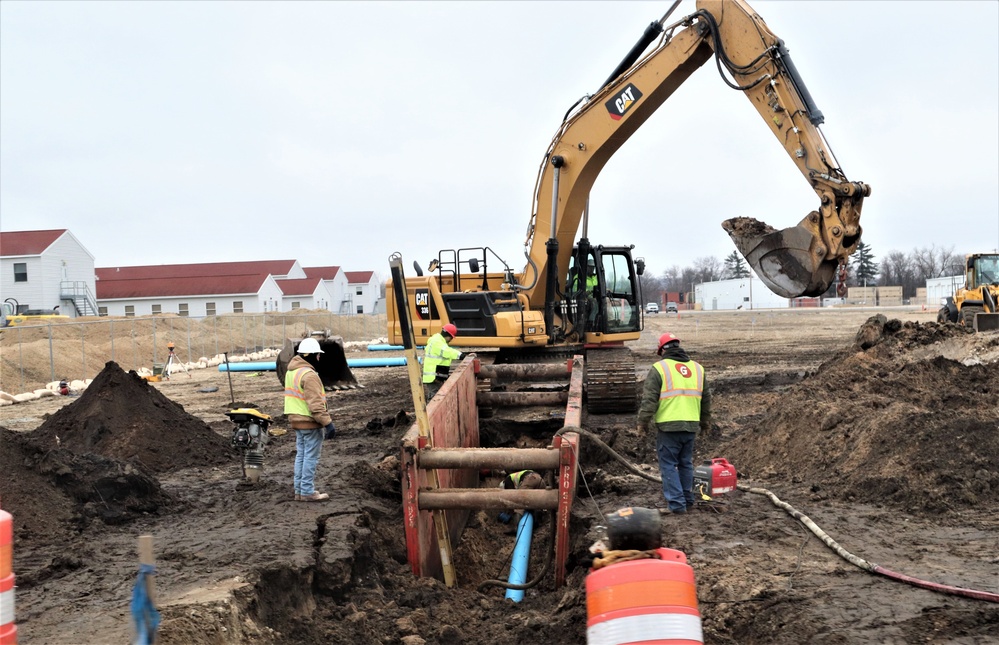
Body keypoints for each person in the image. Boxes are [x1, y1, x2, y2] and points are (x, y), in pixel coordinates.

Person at [636, 332, 711, 514]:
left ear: (662, 350)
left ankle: (677, 505)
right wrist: (705, 423)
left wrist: (642, 423)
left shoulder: (660, 368)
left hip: (669, 426)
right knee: (686, 463)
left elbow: (649, 400)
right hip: (691, 425)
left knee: (668, 465)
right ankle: (688, 499)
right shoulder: (698, 368)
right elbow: (706, 399)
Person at [284, 337, 336, 502]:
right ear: (311, 355)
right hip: (310, 422)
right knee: (310, 457)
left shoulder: (291, 372)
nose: (319, 358)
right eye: (317, 355)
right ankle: (307, 491)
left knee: (301, 456)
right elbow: (315, 404)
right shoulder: (309, 375)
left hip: (296, 421)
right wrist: (328, 423)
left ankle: (299, 491)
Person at [422, 323, 464, 402]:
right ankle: (429, 414)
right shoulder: (437, 342)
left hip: (436, 375)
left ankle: (430, 413)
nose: (451, 340)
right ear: (448, 336)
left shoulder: (438, 341)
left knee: (437, 399)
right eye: (451, 338)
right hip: (433, 376)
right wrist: (461, 355)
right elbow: (447, 352)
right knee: (434, 400)